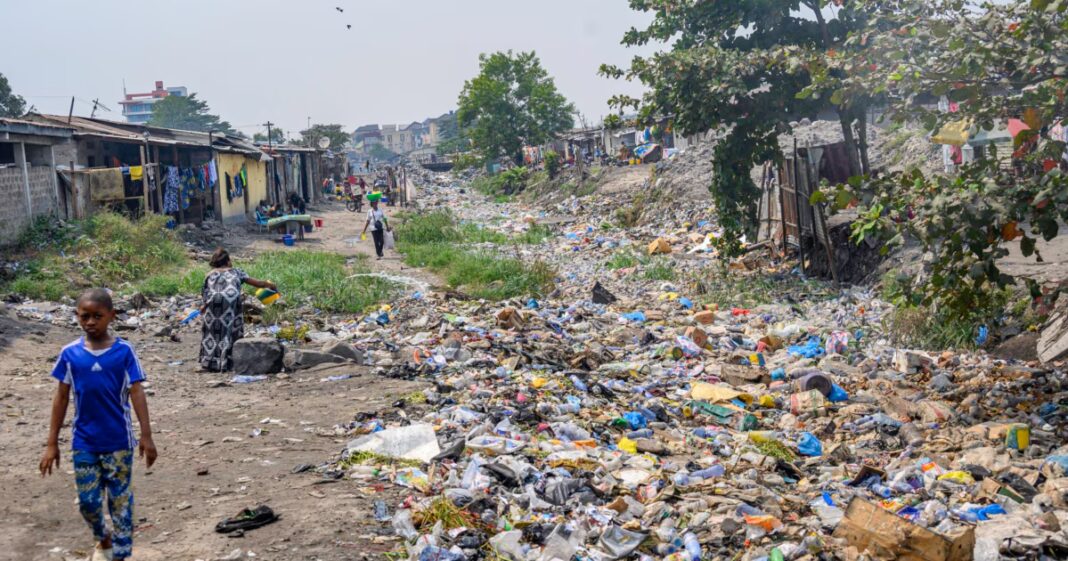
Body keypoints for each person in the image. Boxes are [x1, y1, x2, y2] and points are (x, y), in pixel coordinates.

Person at [39, 288, 156, 561]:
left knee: (120, 501)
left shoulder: (124, 352)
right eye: (85, 316)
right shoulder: (70, 354)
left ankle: (121, 554)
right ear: (77, 316)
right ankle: (103, 539)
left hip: (119, 441)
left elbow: (136, 392)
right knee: (88, 502)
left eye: (97, 316)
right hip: (84, 442)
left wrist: (146, 435)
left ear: (112, 316)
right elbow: (61, 397)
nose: (90, 322)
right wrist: (51, 443)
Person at [199, 248, 277, 372]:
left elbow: (205, 293)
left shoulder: (209, 274)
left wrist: (204, 306)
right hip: (231, 301)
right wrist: (270, 285)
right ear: (228, 261)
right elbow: (258, 283)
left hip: (213, 302)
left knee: (212, 332)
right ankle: (229, 361)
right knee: (231, 330)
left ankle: (210, 362)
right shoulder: (236, 271)